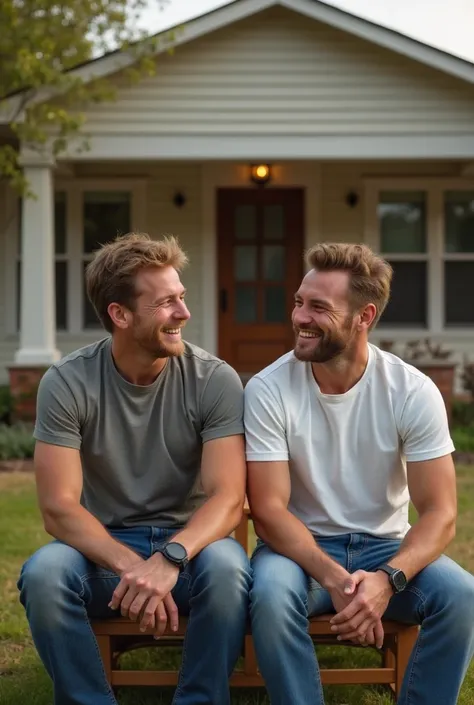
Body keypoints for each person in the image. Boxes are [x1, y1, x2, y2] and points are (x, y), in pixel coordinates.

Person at [17, 232, 251, 705]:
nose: (184, 314)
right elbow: (59, 509)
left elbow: (228, 499)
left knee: (229, 570)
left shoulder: (214, 379)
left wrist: (170, 559)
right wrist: (137, 568)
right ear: (120, 315)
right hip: (104, 551)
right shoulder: (67, 382)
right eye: (166, 304)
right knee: (44, 574)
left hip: (192, 549)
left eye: (181, 298)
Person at [244, 242, 474, 705]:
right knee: (269, 599)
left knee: (462, 594)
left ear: (364, 316)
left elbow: (440, 514)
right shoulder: (268, 389)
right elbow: (268, 511)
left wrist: (388, 579)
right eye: (298, 302)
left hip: (387, 547)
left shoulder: (411, 390)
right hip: (298, 552)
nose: (300, 317)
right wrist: (338, 580)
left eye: (318, 307)